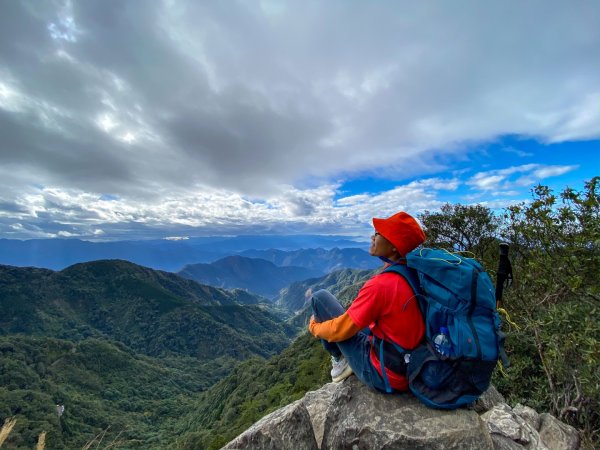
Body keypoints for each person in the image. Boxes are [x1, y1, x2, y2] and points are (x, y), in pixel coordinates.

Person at [308, 211, 426, 393]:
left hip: (385, 374)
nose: (372, 237)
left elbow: (340, 330)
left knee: (319, 298)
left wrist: (315, 328)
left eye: (378, 234)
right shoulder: (415, 271)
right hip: (408, 362)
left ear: (395, 246)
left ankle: (339, 360)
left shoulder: (381, 285)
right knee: (357, 320)